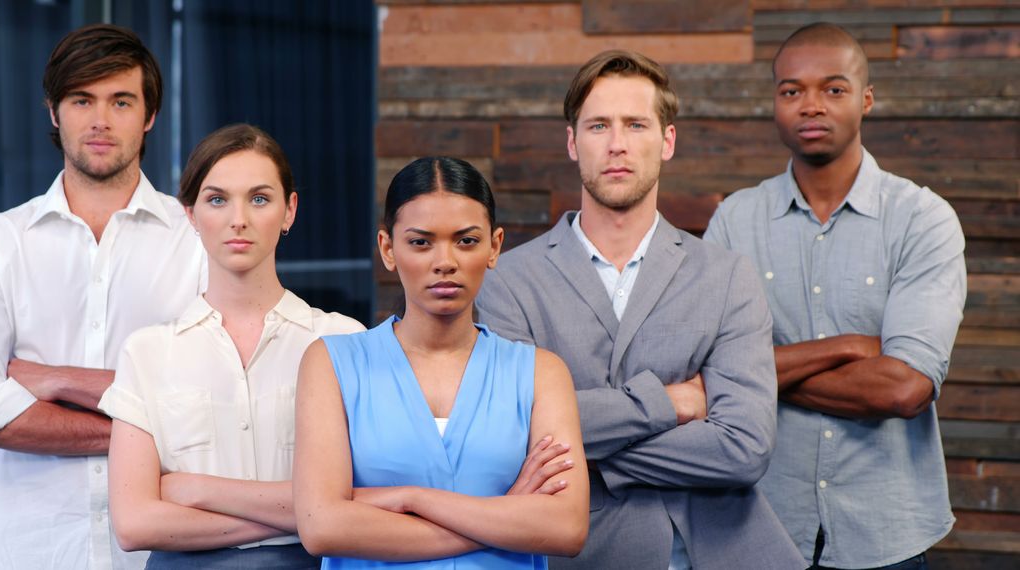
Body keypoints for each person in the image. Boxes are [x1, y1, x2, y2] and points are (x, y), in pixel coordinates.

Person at [475, 50, 806, 570]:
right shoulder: (509, 282)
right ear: (572, 142)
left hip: (722, 553)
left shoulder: (726, 276)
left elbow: (744, 448)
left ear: (667, 141)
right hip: (582, 554)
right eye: (598, 125)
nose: (617, 144)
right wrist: (667, 405)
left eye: (636, 124)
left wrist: (588, 452)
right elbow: (512, 434)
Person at [704, 23, 965, 570]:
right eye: (791, 90)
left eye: (834, 89)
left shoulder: (922, 219)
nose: (811, 105)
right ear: (774, 102)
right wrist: (848, 347)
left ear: (866, 99)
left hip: (885, 534)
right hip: (760, 528)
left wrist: (756, 377)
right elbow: (706, 370)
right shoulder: (735, 220)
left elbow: (904, 388)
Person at [0, 24, 204, 569]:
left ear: (150, 114)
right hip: (33, 550)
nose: (101, 120)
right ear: (54, 111)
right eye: (82, 99)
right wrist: (148, 429)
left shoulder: (199, 241)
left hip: (164, 553)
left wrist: (55, 381)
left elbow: (210, 404)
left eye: (121, 101)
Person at [294, 156, 589, 569]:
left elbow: (566, 527)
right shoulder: (332, 363)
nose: (445, 261)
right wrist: (506, 513)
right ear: (387, 249)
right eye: (421, 242)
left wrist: (411, 498)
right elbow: (322, 527)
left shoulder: (541, 373)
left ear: (495, 246)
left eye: (466, 240)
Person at [99, 123, 363, 568]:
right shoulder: (147, 351)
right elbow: (135, 524)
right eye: (217, 199)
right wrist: (308, 516)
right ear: (190, 214)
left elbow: (365, 498)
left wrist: (198, 491)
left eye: (259, 199)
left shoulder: (343, 341)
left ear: (289, 210)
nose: (238, 218)